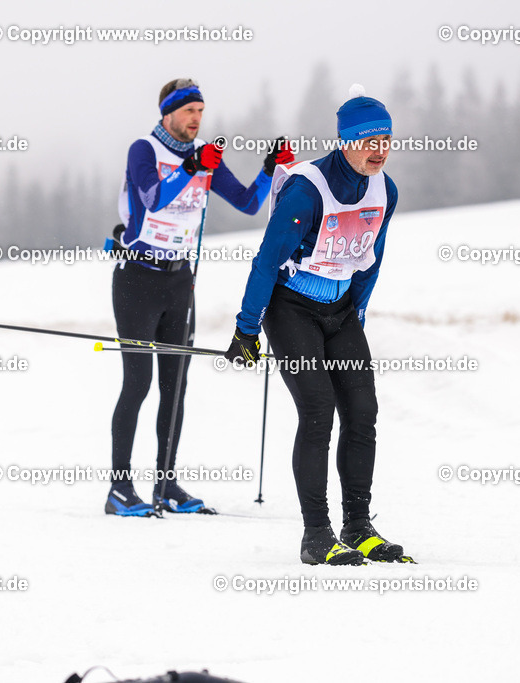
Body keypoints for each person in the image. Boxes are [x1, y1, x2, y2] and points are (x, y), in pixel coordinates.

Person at [223, 85, 403, 564]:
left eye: (385, 141)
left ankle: (359, 526)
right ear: (345, 141)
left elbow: (371, 260)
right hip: (292, 310)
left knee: (363, 412)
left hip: (341, 311)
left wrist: (357, 314)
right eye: (369, 141)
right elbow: (266, 261)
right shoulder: (308, 189)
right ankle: (317, 534)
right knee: (319, 411)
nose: (378, 151)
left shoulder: (386, 190)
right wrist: (247, 330)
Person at [106, 78, 294, 517]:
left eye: (201, 112)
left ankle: (166, 485)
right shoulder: (144, 150)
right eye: (189, 111)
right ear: (167, 114)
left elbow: (248, 203)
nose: (196, 119)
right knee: (138, 384)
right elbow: (153, 200)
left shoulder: (203, 153)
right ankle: (119, 490)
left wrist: (270, 170)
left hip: (178, 282)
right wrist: (193, 168)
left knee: (176, 387)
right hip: (137, 278)